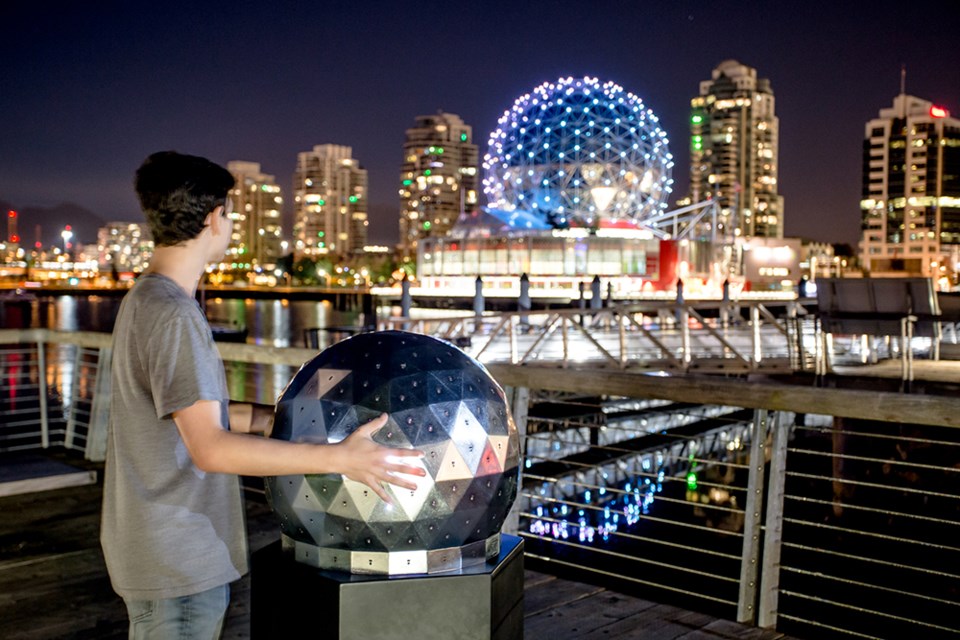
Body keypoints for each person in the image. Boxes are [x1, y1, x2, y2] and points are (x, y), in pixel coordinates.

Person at [100, 151, 425, 639]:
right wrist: (341, 459)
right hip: (177, 561)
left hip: (156, 548)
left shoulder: (145, 299)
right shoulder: (173, 315)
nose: (229, 224)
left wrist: (271, 418)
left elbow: (181, 416)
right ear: (213, 219)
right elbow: (209, 448)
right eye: (229, 214)